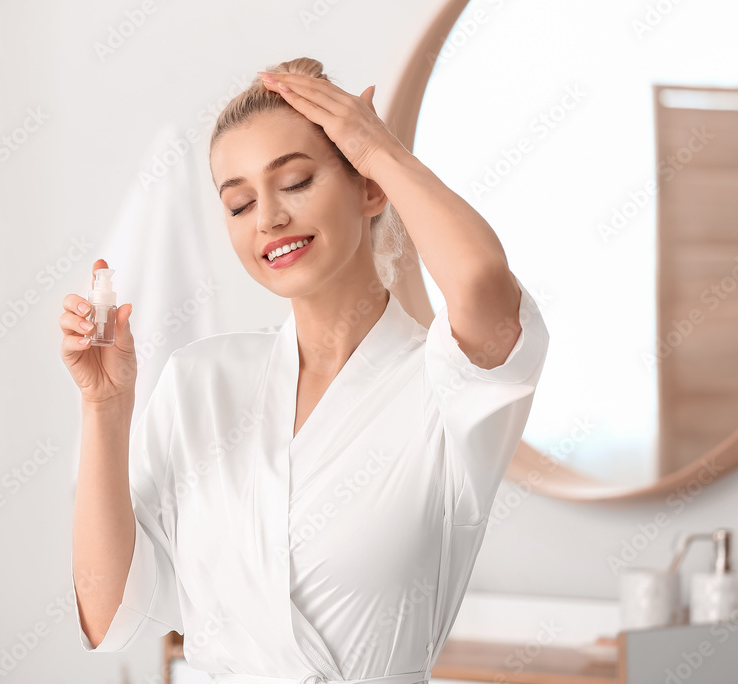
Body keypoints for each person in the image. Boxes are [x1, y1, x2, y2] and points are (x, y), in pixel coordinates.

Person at [60, 57, 550, 684]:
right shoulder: (201, 382)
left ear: (370, 188)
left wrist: (376, 144)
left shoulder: (446, 386)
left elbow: (482, 280)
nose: (267, 219)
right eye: (239, 204)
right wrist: (104, 408)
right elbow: (107, 615)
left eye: (294, 182)